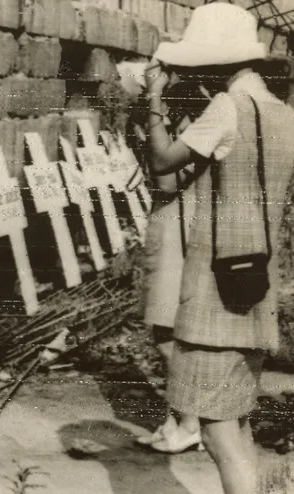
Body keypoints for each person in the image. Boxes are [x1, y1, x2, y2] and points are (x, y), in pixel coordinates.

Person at [144, 3, 294, 493]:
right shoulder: (281, 113)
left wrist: (153, 102)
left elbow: (164, 166)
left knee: (217, 431)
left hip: (214, 297)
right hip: (254, 284)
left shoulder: (227, 108)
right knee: (236, 424)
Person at [134, 85, 202, 453]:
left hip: (179, 228)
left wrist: (154, 109)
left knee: (167, 334)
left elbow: (165, 178)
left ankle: (190, 423)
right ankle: (179, 420)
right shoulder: (188, 120)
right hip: (171, 225)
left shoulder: (192, 123)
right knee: (170, 332)